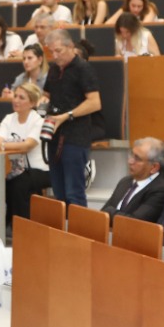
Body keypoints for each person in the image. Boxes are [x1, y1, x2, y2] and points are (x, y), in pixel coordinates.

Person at [43, 30, 102, 208]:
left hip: (75, 136)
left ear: (70, 47)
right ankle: (63, 226)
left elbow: (94, 103)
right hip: (54, 135)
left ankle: (79, 226)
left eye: (58, 51)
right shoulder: (54, 69)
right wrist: (42, 101)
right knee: (59, 192)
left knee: (74, 192)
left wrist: (67, 116)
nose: (55, 56)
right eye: (51, 52)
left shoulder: (83, 68)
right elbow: (47, 94)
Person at [0, 83, 48, 229]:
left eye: (21, 98)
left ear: (32, 103)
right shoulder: (8, 118)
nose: (16, 100)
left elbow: (27, 146)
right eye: (15, 96)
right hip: (12, 168)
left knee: (18, 183)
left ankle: (21, 227)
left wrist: (3, 144)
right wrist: (3, 143)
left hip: (38, 169)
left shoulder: (38, 121)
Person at [100, 137, 164, 223]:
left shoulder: (160, 189)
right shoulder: (125, 181)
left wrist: (110, 212)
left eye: (137, 158)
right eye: (131, 155)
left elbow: (135, 222)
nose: (130, 161)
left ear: (154, 167)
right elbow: (102, 214)